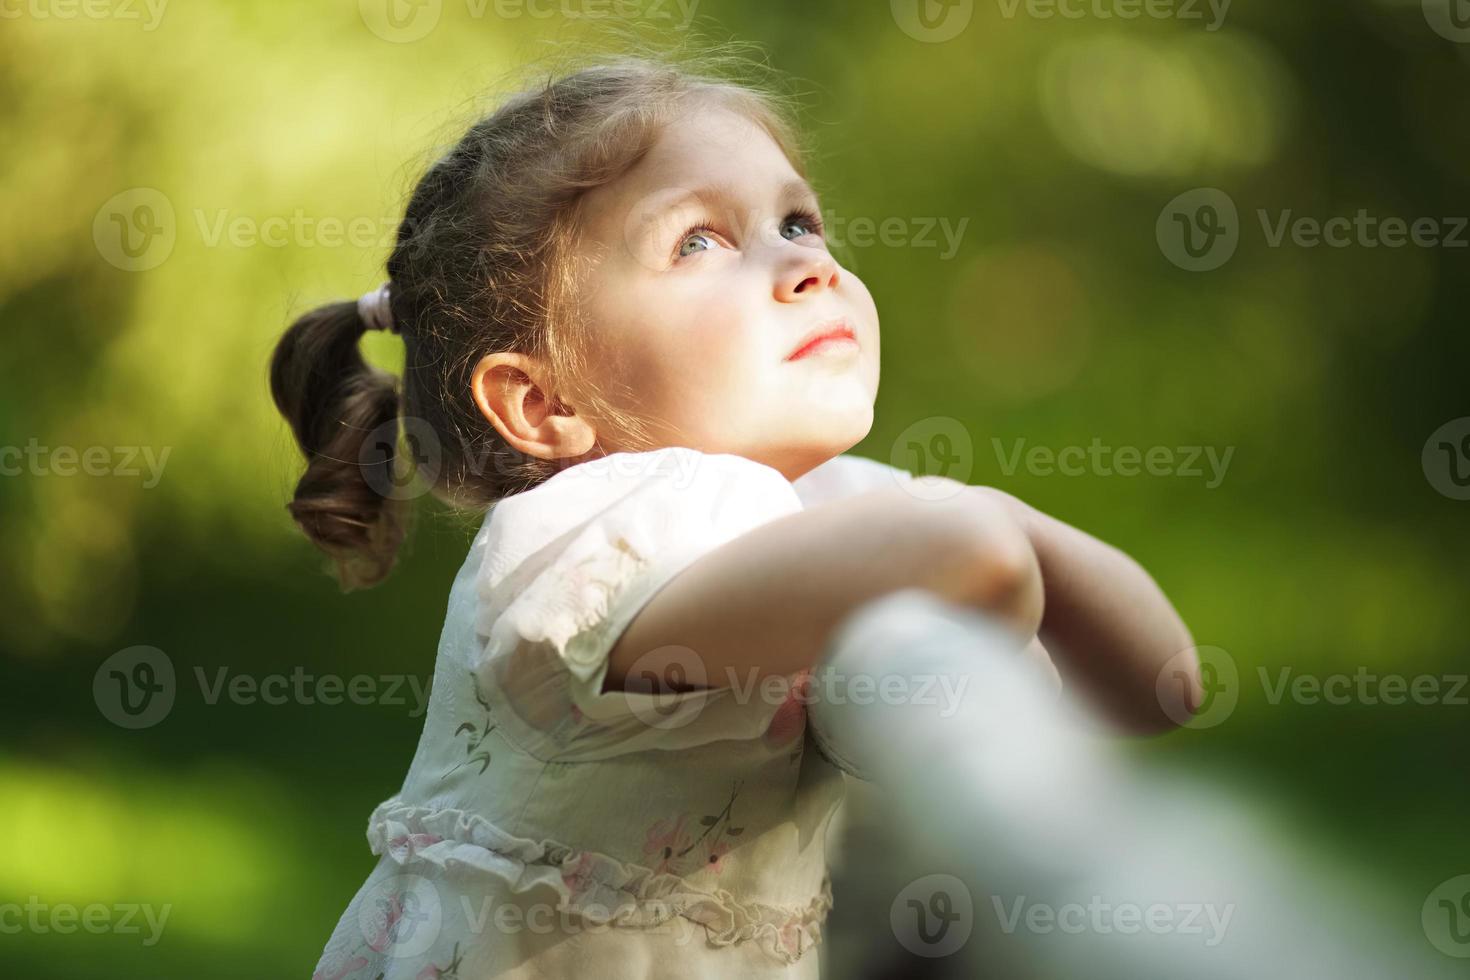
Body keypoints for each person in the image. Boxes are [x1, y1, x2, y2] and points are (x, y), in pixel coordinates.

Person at [269, 50, 1201, 980]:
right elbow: (981, 558)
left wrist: (984, 522)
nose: (804, 264)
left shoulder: (834, 505)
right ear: (543, 404)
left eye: (799, 221)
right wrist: (985, 517)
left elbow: (1162, 688)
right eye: (698, 242)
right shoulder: (596, 538)